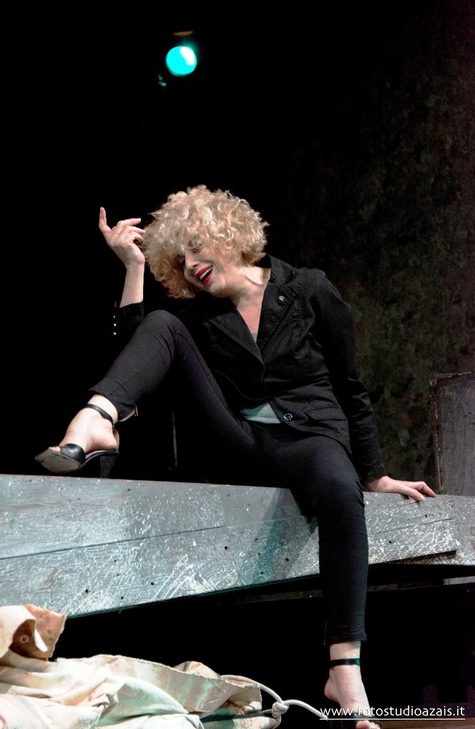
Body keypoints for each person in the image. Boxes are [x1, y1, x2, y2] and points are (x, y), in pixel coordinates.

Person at [36, 185, 436, 728]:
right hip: (238, 441)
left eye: (196, 248)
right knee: (162, 325)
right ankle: (95, 419)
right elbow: (137, 345)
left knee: (340, 491)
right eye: (179, 260)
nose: (190, 265)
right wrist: (133, 267)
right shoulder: (199, 316)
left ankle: (344, 668)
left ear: (228, 235)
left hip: (309, 437)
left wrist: (375, 475)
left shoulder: (308, 288)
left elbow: (350, 385)